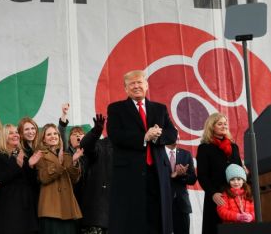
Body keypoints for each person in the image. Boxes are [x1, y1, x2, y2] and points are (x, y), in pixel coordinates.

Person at [106, 69, 177, 234]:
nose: (136, 86)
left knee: (158, 217)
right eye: (132, 83)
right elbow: (115, 135)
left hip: (157, 172)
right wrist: (144, 137)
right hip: (130, 173)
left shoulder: (159, 109)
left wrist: (157, 136)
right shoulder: (116, 109)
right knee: (132, 219)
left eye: (139, 82)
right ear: (125, 89)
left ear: (146, 85)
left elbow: (172, 133)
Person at [196, 113, 243, 234]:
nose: (224, 126)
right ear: (212, 127)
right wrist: (213, 193)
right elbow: (202, 176)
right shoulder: (204, 148)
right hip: (217, 197)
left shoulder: (234, 147)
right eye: (220, 124)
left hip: (235, 196)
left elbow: (239, 170)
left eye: (225, 123)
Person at [0, 124, 42, 234]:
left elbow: (32, 182)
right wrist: (18, 165)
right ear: (4, 137)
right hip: (10, 208)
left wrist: (30, 166)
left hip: (27, 206)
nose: (16, 135)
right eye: (11, 133)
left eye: (16, 132)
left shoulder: (21, 154)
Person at [36, 123, 83, 234]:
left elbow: (74, 179)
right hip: (50, 209)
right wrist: (59, 164)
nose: (53, 136)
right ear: (43, 139)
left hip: (68, 208)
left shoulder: (67, 156)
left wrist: (75, 161)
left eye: (55, 133)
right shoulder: (40, 155)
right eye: (49, 134)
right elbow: (43, 178)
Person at [79, 114, 112, 234]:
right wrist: (95, 132)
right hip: (99, 219)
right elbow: (85, 145)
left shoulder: (130, 149)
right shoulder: (100, 145)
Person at [166, 138, 197, 234]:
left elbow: (193, 179)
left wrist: (183, 175)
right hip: (163, 203)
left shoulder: (186, 154)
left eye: (178, 135)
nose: (177, 137)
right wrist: (171, 176)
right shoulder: (158, 153)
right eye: (175, 134)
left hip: (181, 205)